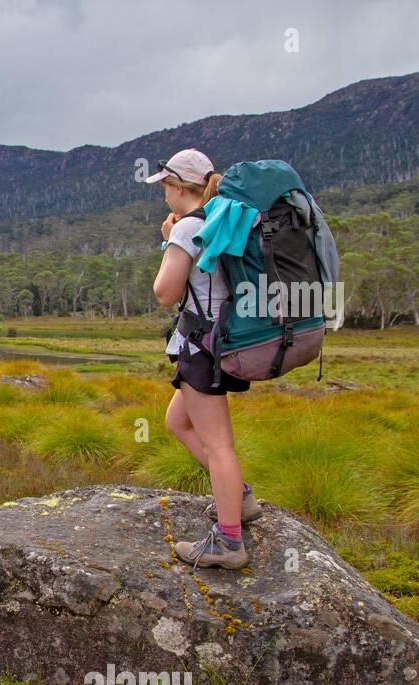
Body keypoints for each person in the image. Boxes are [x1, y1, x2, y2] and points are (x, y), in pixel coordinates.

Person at [147, 148, 261, 570]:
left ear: (178, 187)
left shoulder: (186, 230)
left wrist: (169, 241)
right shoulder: (219, 220)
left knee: (218, 446)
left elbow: (165, 293)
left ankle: (229, 542)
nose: (162, 193)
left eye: (164, 186)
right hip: (221, 341)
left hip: (201, 347)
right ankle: (241, 499)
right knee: (177, 421)